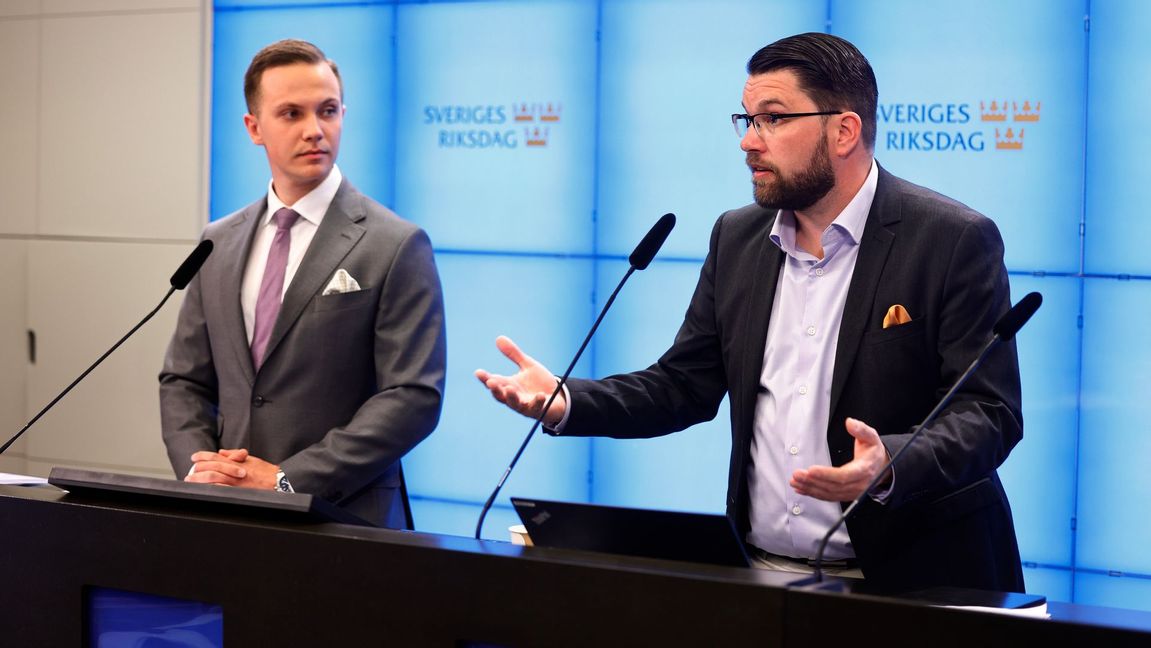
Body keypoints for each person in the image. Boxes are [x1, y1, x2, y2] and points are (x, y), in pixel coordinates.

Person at [476, 32, 1024, 592]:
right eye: (747, 120)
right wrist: (566, 400)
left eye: (773, 119)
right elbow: (683, 385)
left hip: (911, 581)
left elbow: (988, 412)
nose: (749, 142)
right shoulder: (737, 237)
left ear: (844, 130)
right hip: (761, 580)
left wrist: (889, 461)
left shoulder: (951, 239)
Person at [160, 39, 446, 529]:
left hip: (347, 523)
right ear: (254, 128)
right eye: (291, 113)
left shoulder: (396, 243)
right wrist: (204, 472)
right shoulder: (218, 241)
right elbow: (184, 380)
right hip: (228, 521)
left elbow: (412, 397)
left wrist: (286, 482)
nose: (315, 130)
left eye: (328, 111)